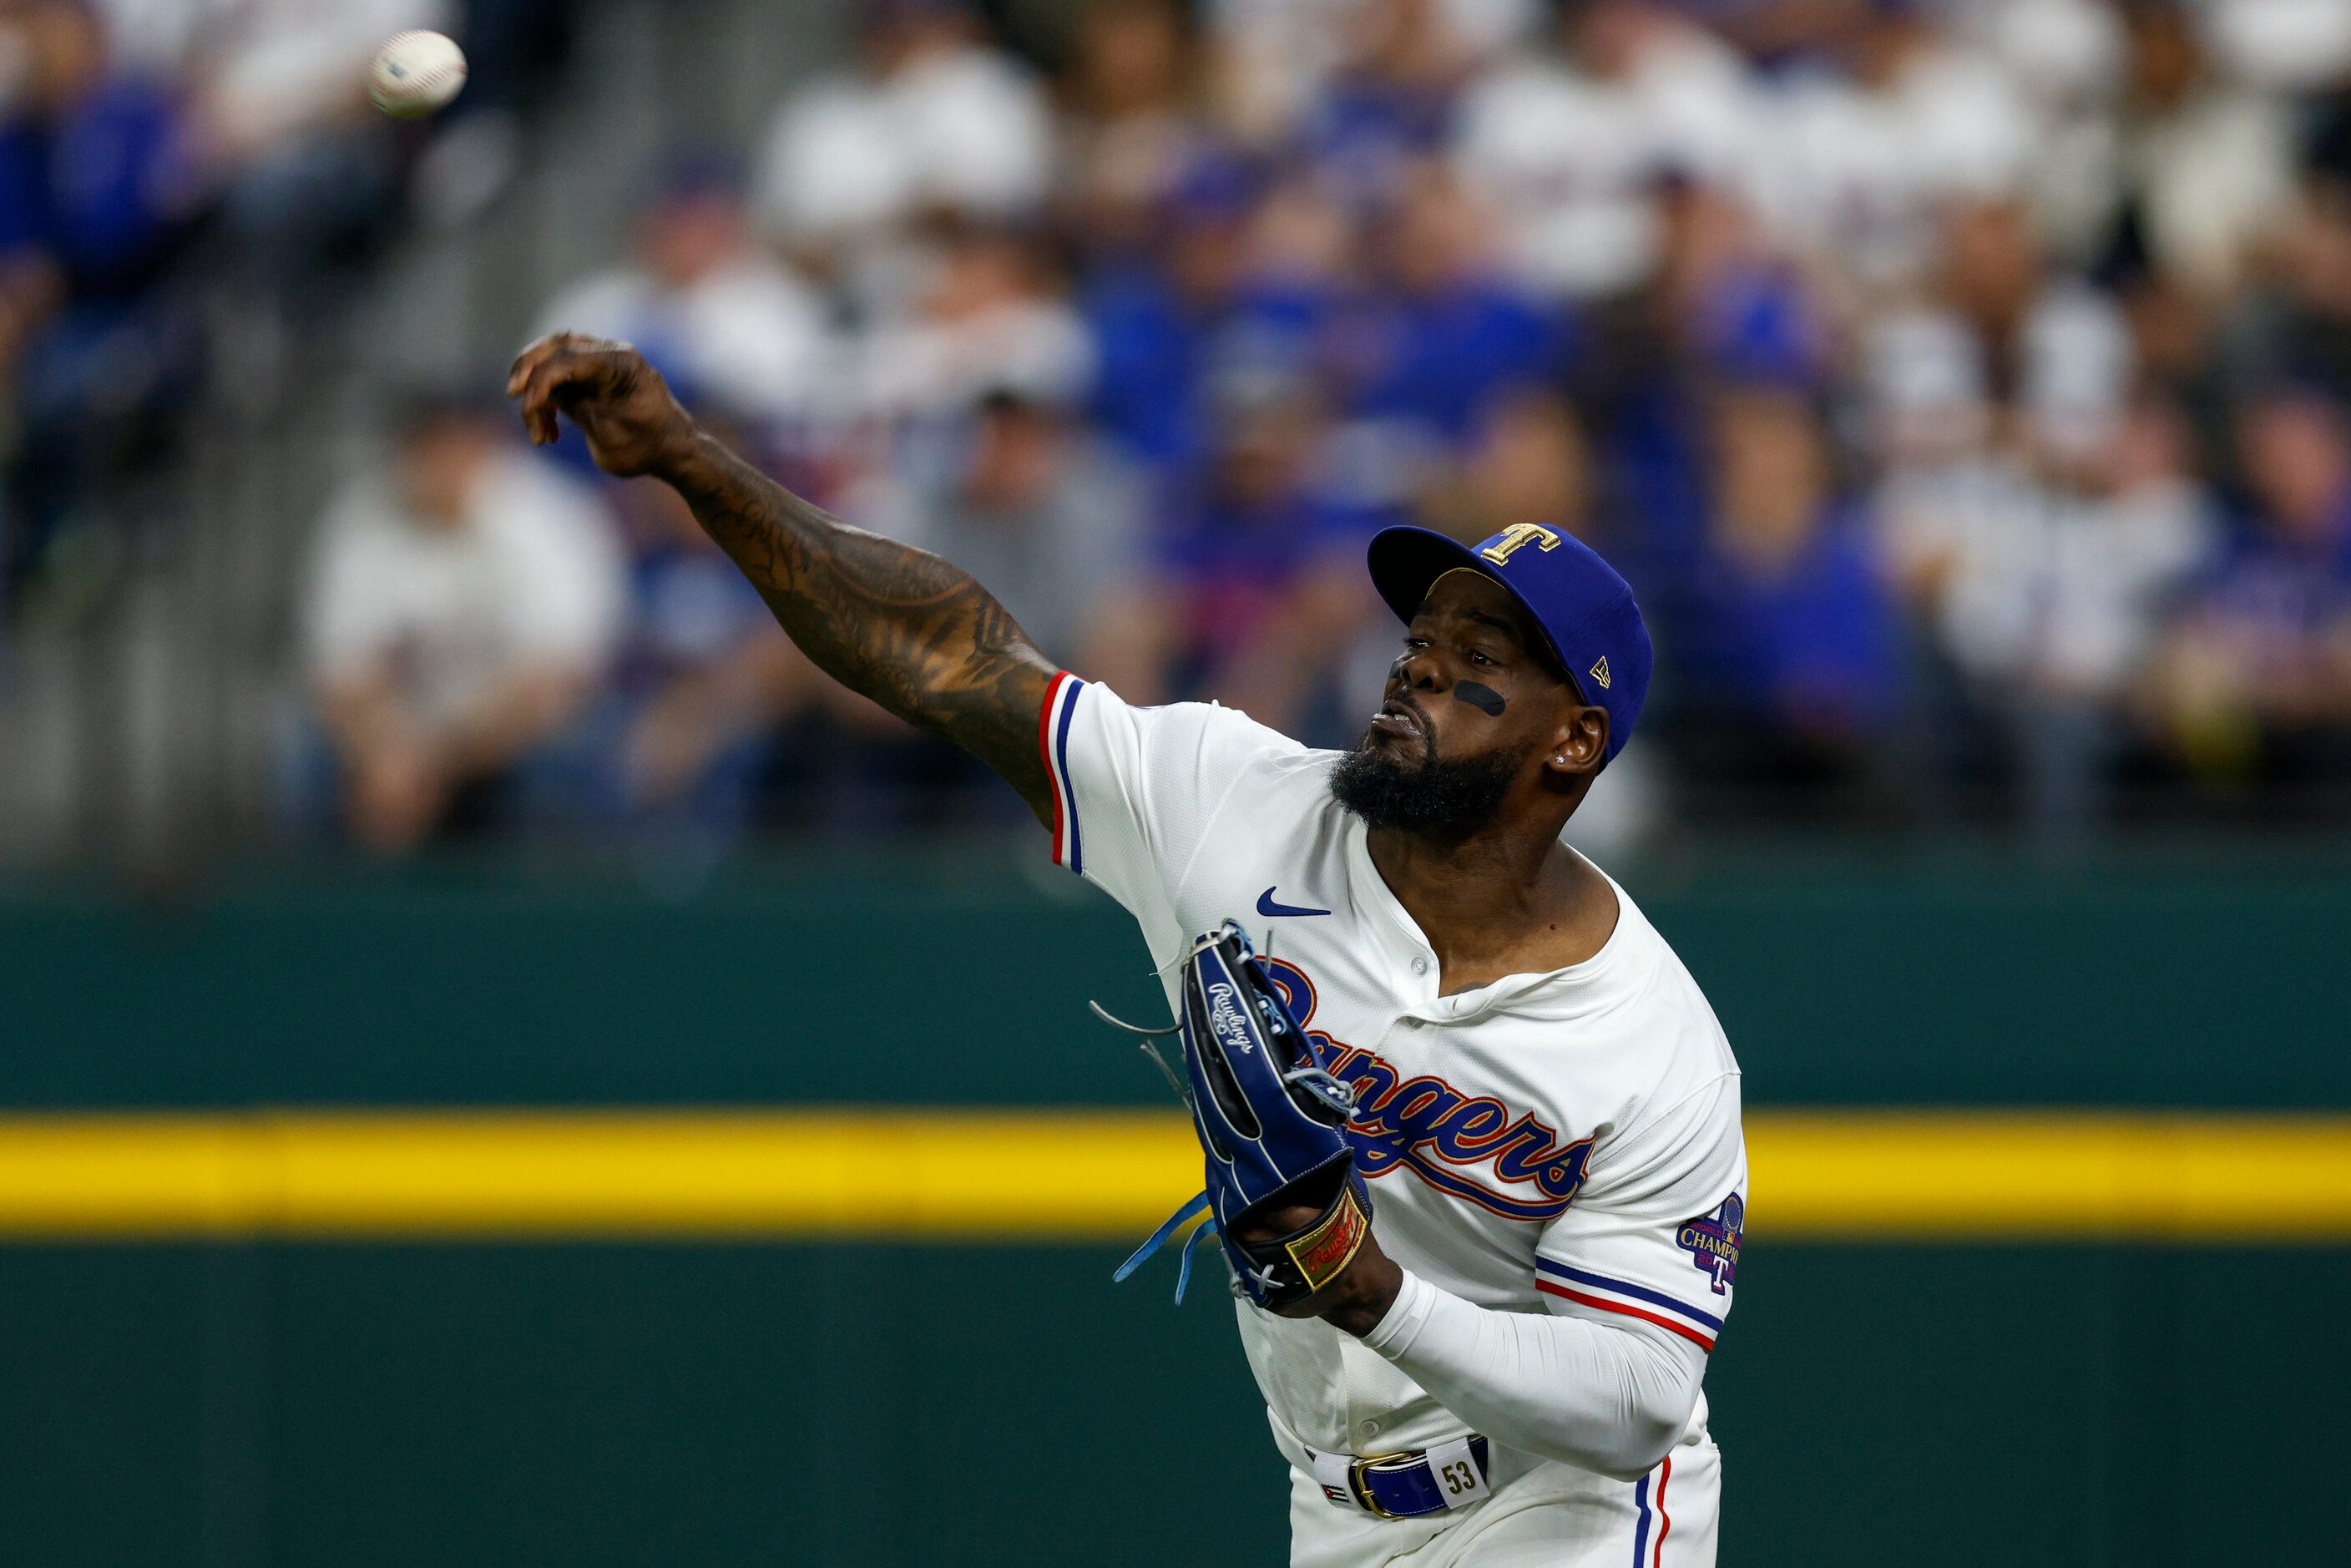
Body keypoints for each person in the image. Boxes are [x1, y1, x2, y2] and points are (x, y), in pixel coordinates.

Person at [509, 333, 1745, 1565]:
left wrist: (1369, 1286)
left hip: (1565, 1505)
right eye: (1424, 633)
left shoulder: (1651, 1038)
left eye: (1480, 660)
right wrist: (691, 459)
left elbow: (1633, 1401)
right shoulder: (1230, 798)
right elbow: (953, 658)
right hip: (1338, 1509)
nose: (1420, 663)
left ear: (1572, 743)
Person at [304, 392, 623, 854]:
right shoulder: (358, 520)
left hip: (510, 742)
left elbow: (554, 682)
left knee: (564, 769)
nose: (447, 457)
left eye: (463, 439)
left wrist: (435, 759)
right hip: (393, 748)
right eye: (431, 441)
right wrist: (388, 753)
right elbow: (341, 675)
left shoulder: (548, 516)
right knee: (306, 765)